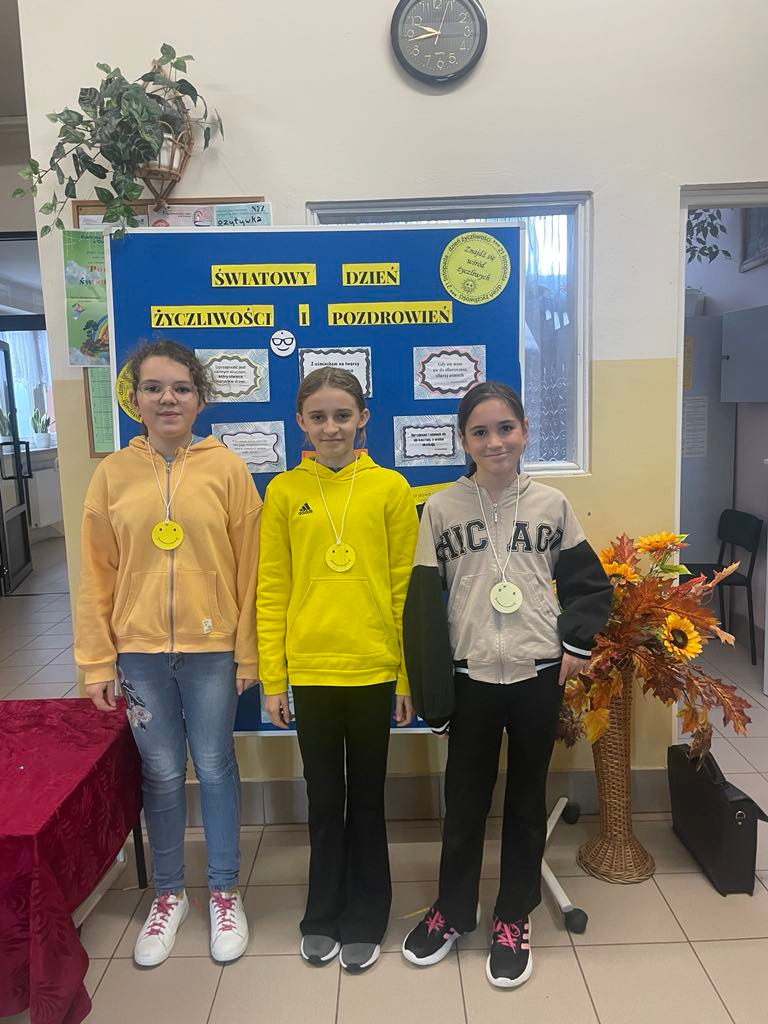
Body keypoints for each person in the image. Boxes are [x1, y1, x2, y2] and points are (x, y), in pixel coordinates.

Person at [401, 381, 611, 988]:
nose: (494, 442)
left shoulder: (551, 505)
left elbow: (589, 585)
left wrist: (574, 645)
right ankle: (453, 910)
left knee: (525, 802)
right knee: (464, 802)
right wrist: (435, 695)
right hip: (470, 678)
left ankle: (513, 915)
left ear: (524, 431)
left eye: (505, 428)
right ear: (463, 440)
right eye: (480, 432)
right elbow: (423, 608)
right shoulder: (440, 510)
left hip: (535, 675)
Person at [75, 340, 261, 967]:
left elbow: (250, 572)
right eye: (153, 388)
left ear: (200, 398)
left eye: (181, 387)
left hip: (212, 649)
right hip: (139, 653)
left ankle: (224, 890)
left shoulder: (226, 469)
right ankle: (169, 893)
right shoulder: (112, 474)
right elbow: (95, 574)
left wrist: (247, 654)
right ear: (135, 399)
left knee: (214, 765)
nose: (168, 399)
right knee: (159, 772)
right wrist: (96, 660)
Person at [257, 367, 419, 973]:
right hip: (311, 670)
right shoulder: (282, 492)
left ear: (363, 419)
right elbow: (272, 588)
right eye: (319, 417)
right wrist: (274, 678)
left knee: (368, 800)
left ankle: (369, 912)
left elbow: (404, 590)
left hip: (374, 669)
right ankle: (322, 910)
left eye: (343, 415)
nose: (331, 427)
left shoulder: (391, 489)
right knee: (324, 799)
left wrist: (405, 677)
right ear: (300, 421)